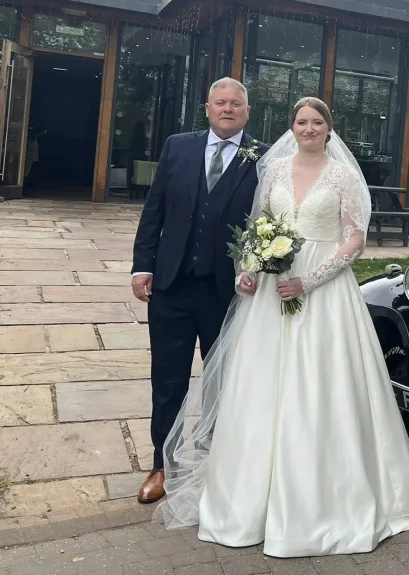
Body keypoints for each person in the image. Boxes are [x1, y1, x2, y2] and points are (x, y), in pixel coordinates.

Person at [152, 96, 409, 558]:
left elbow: (355, 240)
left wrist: (310, 280)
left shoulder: (343, 175)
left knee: (319, 387)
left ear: (329, 128)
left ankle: (320, 500)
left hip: (323, 292)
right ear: (293, 127)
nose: (308, 128)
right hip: (271, 292)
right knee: (260, 386)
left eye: (316, 122)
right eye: (301, 121)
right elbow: (258, 225)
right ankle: (248, 498)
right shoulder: (275, 169)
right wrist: (248, 266)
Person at [130, 77, 269, 504]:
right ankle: (162, 465)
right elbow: (154, 210)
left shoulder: (264, 159)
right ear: (207, 108)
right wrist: (141, 266)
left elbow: (271, 222)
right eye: (220, 102)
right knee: (167, 380)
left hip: (224, 293)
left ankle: (216, 464)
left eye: (236, 104)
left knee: (223, 381)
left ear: (247, 112)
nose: (227, 109)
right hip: (170, 287)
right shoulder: (178, 146)